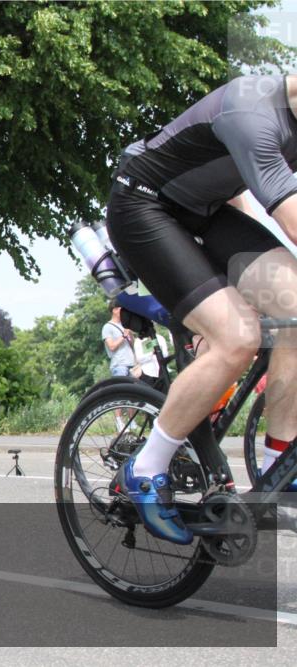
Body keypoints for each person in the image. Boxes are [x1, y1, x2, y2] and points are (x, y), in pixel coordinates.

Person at [106, 74, 297, 544]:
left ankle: (278, 468)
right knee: (239, 337)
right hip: (142, 207)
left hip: (204, 209)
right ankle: (145, 468)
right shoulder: (253, 114)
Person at [102, 301, 136, 378]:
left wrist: (130, 334)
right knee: (124, 390)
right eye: (122, 310)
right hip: (120, 366)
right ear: (115, 310)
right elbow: (111, 347)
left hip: (131, 365)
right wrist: (123, 336)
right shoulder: (107, 327)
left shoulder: (124, 325)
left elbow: (132, 345)